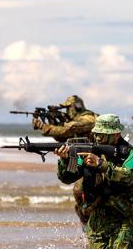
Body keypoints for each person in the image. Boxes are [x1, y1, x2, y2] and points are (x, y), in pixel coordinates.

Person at [54, 114, 133, 249]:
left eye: (103, 134)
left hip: (122, 216)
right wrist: (65, 160)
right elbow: (68, 178)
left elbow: (128, 176)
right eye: (97, 133)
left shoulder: (131, 153)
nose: (98, 137)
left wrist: (101, 164)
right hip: (97, 214)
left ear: (116, 135)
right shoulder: (87, 152)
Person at [34, 95, 97, 224]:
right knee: (79, 194)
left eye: (68, 108)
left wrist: (45, 127)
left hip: (96, 161)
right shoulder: (77, 120)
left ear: (77, 107)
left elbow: (68, 130)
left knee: (82, 191)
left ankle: (93, 227)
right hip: (83, 161)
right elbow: (65, 139)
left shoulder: (88, 118)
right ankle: (89, 227)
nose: (67, 112)